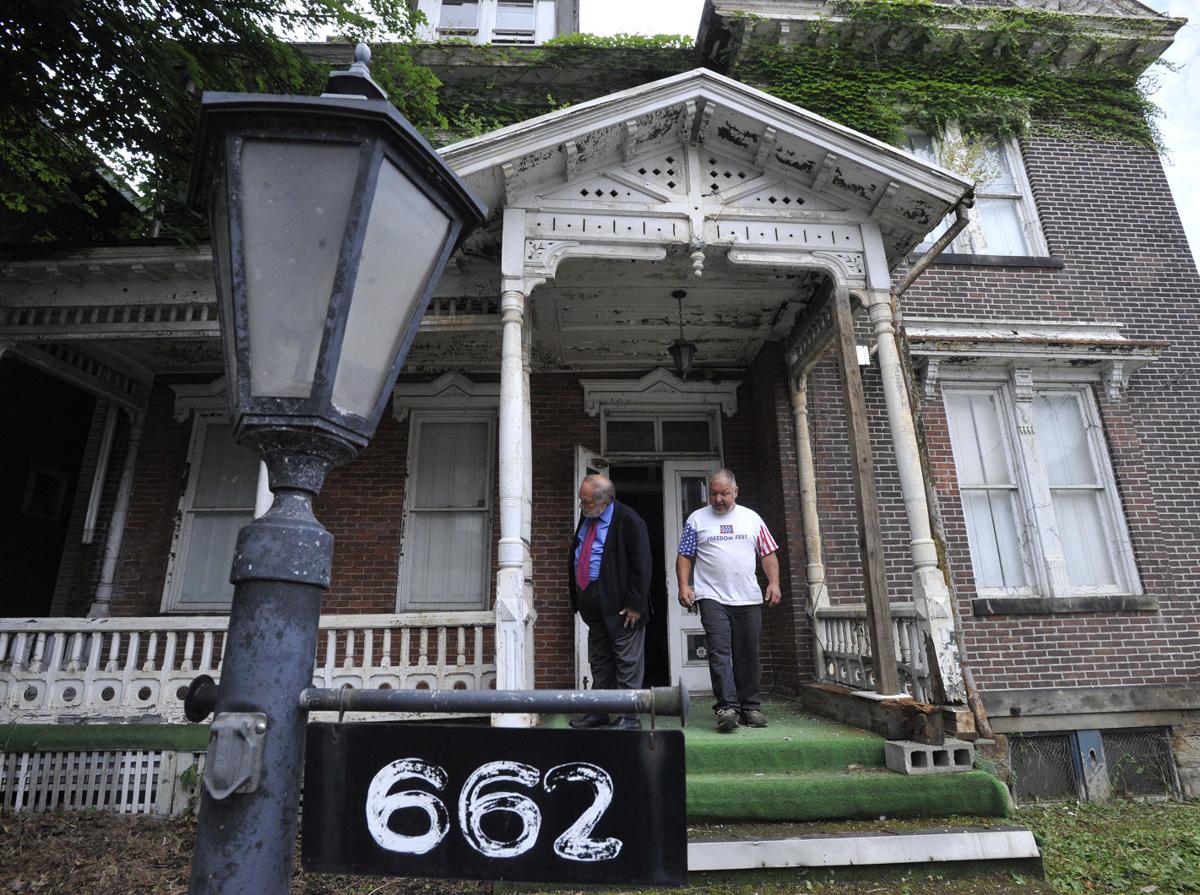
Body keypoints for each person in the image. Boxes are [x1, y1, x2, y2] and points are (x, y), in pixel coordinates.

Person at [676, 469, 781, 733]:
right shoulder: (696, 519)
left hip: (747, 596)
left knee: (747, 652)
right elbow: (685, 555)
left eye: (724, 493)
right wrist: (683, 586)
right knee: (719, 651)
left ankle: (750, 707)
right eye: (713, 493)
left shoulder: (752, 519)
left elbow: (768, 553)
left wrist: (774, 583)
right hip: (711, 596)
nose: (719, 498)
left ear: (736, 492)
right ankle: (727, 707)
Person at [567, 474, 652, 730]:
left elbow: (642, 564)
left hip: (623, 606)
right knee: (600, 661)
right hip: (593, 604)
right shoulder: (588, 517)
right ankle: (598, 712)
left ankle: (630, 717)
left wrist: (637, 603)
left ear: (603, 502)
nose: (581, 507)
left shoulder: (629, 520)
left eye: (585, 502)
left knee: (627, 662)